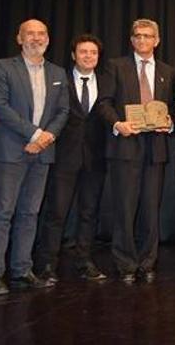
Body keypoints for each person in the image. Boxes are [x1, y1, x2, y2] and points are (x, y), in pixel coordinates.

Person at [0, 19, 69, 295]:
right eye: (30, 33)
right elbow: (0, 106)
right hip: (12, 151)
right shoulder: (3, 67)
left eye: (41, 33)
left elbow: (63, 112)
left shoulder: (57, 72)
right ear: (19, 38)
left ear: (48, 38)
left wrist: (46, 138)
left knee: (30, 213)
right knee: (3, 213)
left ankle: (22, 269)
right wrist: (34, 135)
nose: (36, 38)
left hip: (43, 153)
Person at [96, 18, 175, 284]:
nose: (143, 40)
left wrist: (170, 123)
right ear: (131, 40)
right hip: (125, 147)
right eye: (138, 36)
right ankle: (126, 263)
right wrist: (118, 123)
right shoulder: (115, 66)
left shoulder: (167, 71)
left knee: (151, 209)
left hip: (156, 148)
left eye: (148, 36)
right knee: (125, 208)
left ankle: (147, 262)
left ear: (157, 40)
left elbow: (173, 108)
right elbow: (104, 103)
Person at [34, 34, 110, 283]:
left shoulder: (108, 82)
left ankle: (84, 261)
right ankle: (47, 264)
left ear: (98, 57)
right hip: (64, 157)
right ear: (74, 55)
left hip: (95, 158)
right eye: (83, 52)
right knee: (56, 212)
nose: (88, 56)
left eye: (93, 52)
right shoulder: (59, 79)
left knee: (89, 212)